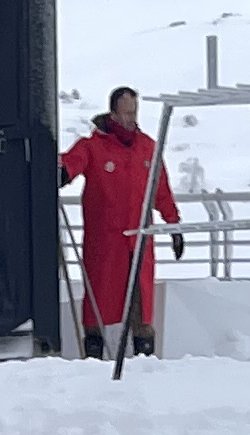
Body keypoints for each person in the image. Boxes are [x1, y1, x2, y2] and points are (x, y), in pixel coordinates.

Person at [64, 87, 183, 355]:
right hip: (105, 241)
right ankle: (93, 355)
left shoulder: (147, 148)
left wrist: (174, 224)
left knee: (141, 304)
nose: (132, 118)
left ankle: (145, 358)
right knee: (97, 301)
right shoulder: (92, 146)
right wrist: (61, 172)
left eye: (135, 111)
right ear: (114, 113)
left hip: (139, 240)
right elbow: (71, 163)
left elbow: (160, 190)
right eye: (127, 112)